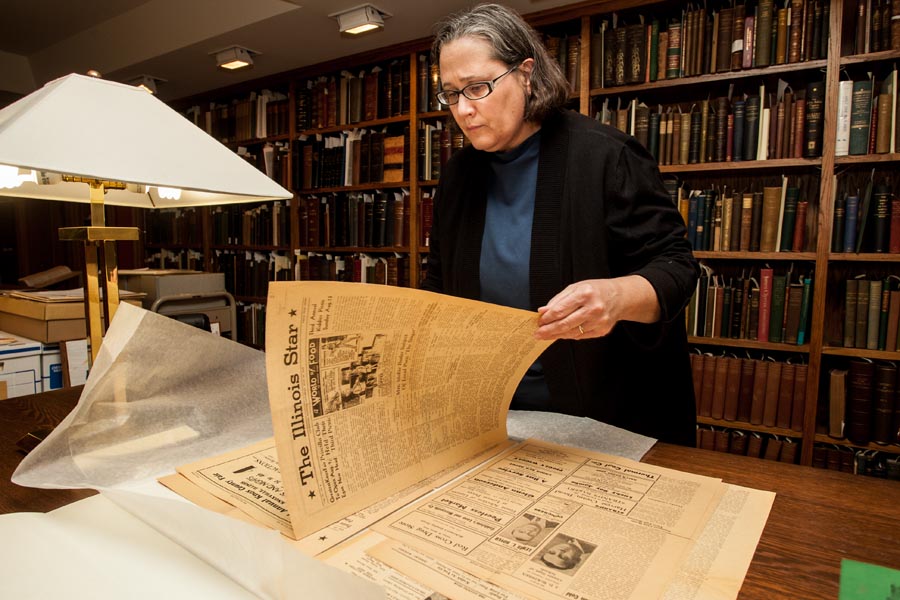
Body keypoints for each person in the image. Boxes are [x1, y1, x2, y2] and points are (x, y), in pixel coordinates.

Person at [421, 3, 699, 446]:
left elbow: (678, 269)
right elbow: (440, 282)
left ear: (526, 73)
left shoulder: (606, 155)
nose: (463, 110)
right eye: (451, 94)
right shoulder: (459, 174)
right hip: (492, 413)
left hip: (600, 417)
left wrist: (616, 296)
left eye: (477, 88)